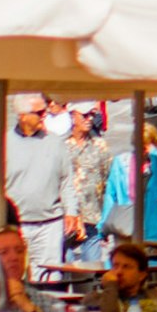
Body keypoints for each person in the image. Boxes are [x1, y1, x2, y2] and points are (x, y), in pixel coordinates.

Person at [2, 99, 70, 244]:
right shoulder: (4, 144)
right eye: (39, 112)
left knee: (51, 267)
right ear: (23, 116)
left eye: (44, 111)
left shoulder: (55, 142)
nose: (45, 115)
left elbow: (66, 180)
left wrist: (71, 212)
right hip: (17, 225)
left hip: (51, 225)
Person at [60, 108, 112, 260]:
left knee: (91, 271)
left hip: (93, 215)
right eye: (84, 115)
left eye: (92, 115)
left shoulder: (100, 145)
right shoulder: (61, 145)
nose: (89, 119)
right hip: (67, 218)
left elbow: (109, 178)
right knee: (66, 269)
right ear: (72, 116)